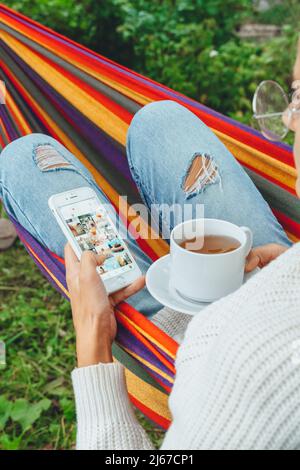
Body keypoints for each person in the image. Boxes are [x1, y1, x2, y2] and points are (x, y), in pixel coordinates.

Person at [1, 44, 300, 451]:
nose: (287, 116)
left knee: (23, 161)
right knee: (160, 122)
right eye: (295, 91)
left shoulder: (254, 403)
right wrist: (288, 265)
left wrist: (91, 341)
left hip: (177, 342)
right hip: (263, 276)